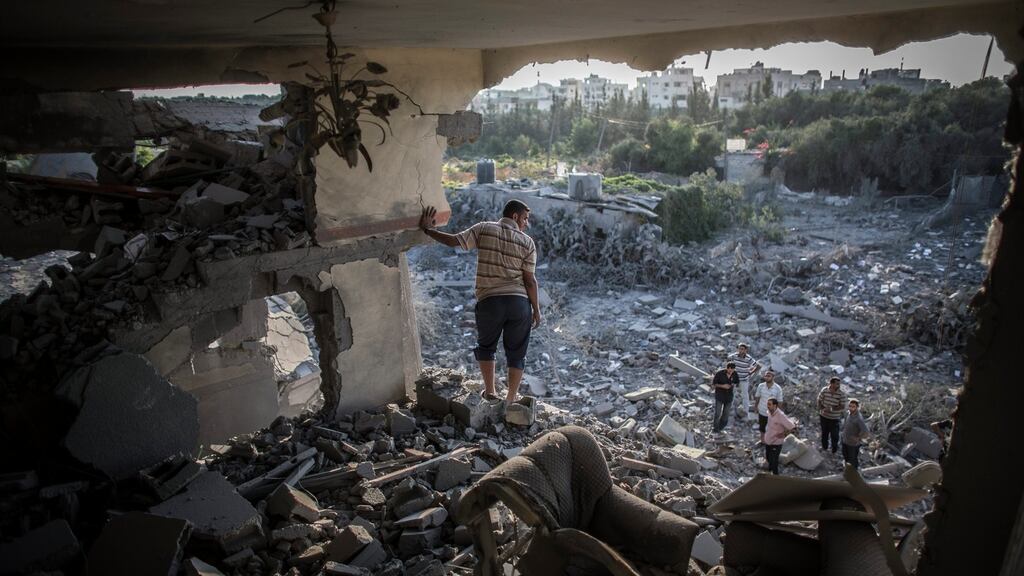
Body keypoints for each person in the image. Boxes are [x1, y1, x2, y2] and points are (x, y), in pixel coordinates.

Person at [418, 202, 541, 403]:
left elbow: (453, 241)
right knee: (517, 352)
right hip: (519, 304)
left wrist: (428, 229)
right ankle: (510, 399)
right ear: (516, 217)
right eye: (525, 218)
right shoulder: (527, 242)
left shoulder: (484, 228)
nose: (527, 223)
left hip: (490, 302)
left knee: (486, 347)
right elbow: (530, 280)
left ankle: (490, 392)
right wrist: (536, 309)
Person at [728, 343, 762, 422]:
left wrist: (751, 372)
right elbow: (728, 359)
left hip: (744, 380)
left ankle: (746, 412)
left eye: (742, 349)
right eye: (739, 349)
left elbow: (758, 366)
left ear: (746, 350)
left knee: (745, 396)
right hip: (735, 379)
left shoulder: (748, 358)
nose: (740, 351)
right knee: (731, 393)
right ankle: (730, 410)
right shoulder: (734, 356)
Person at [762, 398, 796, 475]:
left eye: (769, 404)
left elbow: (792, 427)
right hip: (768, 439)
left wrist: (784, 434)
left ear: (775, 405)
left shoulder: (781, 415)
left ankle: (775, 476)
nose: (768, 406)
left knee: (774, 460)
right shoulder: (769, 412)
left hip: (776, 442)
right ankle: (769, 473)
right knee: (768, 457)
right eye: (767, 404)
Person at [817, 376, 847, 454]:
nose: (838, 385)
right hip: (824, 417)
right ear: (832, 383)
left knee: (834, 435)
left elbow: (842, 405)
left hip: (834, 418)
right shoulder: (824, 390)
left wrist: (831, 409)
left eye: (839, 384)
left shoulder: (841, 393)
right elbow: (819, 400)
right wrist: (822, 408)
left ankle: (834, 450)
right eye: (837, 384)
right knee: (824, 433)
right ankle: (825, 448)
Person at [841, 399, 870, 469]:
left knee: (853, 460)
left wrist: (858, 438)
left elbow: (866, 432)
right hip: (845, 440)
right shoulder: (848, 413)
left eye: (853, 407)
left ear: (857, 407)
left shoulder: (858, 418)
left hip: (853, 444)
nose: (851, 408)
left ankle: (854, 474)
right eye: (850, 406)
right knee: (846, 456)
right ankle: (847, 470)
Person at [753, 371, 784, 436]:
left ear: (773, 377)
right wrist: (756, 407)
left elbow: (780, 402)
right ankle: (762, 441)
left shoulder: (777, 388)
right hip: (762, 411)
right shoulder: (761, 386)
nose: (766, 378)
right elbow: (757, 397)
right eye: (766, 376)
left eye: (769, 376)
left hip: (772, 413)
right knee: (762, 428)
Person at [711, 362, 740, 432]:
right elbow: (714, 384)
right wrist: (722, 386)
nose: (730, 371)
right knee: (717, 413)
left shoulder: (735, 374)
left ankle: (721, 427)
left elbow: (737, 382)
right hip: (720, 396)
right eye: (729, 369)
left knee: (726, 414)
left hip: (729, 397)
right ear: (727, 368)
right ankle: (715, 428)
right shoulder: (720, 373)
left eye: (732, 369)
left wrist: (734, 385)